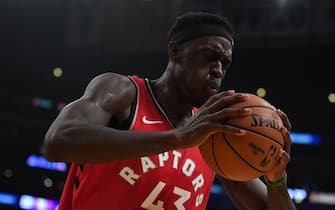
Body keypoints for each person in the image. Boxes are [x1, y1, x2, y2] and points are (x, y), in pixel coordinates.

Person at [43, 12, 297, 210]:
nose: (219, 69)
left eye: (225, 63)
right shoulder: (123, 92)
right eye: (210, 56)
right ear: (175, 51)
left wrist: (276, 179)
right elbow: (57, 142)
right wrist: (178, 138)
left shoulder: (214, 135)